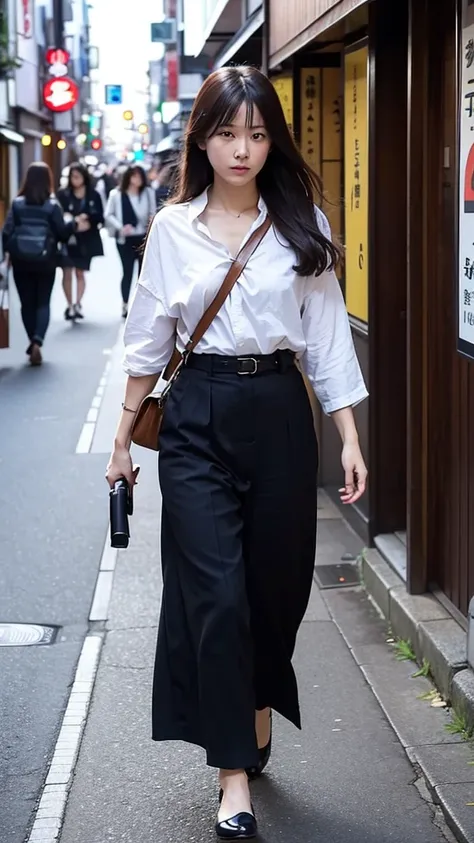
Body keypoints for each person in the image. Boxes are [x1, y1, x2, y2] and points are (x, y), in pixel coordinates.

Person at [105, 66, 368, 840]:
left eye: (256, 133)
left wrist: (350, 435)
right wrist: (120, 442)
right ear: (204, 138)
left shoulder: (300, 222)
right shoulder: (171, 228)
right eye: (227, 133)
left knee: (275, 592)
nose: (242, 149)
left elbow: (323, 341)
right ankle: (231, 777)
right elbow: (147, 342)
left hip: (281, 413)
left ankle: (255, 698)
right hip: (196, 420)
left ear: (271, 139)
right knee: (214, 595)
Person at [1, 161, 89, 366]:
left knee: (26, 303)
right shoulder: (51, 206)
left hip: (21, 262)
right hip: (46, 261)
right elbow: (62, 233)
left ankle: (32, 338)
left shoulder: (17, 204)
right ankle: (38, 341)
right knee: (42, 301)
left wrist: (10, 253)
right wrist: (73, 224)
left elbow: (6, 233)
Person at [104, 165, 156, 318]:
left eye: (140, 176)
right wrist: (120, 227)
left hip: (143, 237)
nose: (137, 179)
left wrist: (150, 224)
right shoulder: (116, 194)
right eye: (134, 176)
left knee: (143, 273)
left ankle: (141, 305)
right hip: (125, 238)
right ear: (128, 177)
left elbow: (153, 213)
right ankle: (125, 303)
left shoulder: (148, 193)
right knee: (127, 271)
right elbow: (108, 214)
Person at [57, 162, 104, 321]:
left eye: (77, 176)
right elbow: (58, 215)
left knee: (80, 272)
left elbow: (100, 217)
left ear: (84, 177)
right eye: (72, 177)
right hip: (68, 238)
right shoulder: (63, 194)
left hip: (86, 240)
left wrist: (88, 219)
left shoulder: (93, 194)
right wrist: (72, 220)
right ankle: (69, 305)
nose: (75, 180)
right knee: (67, 271)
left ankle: (77, 303)